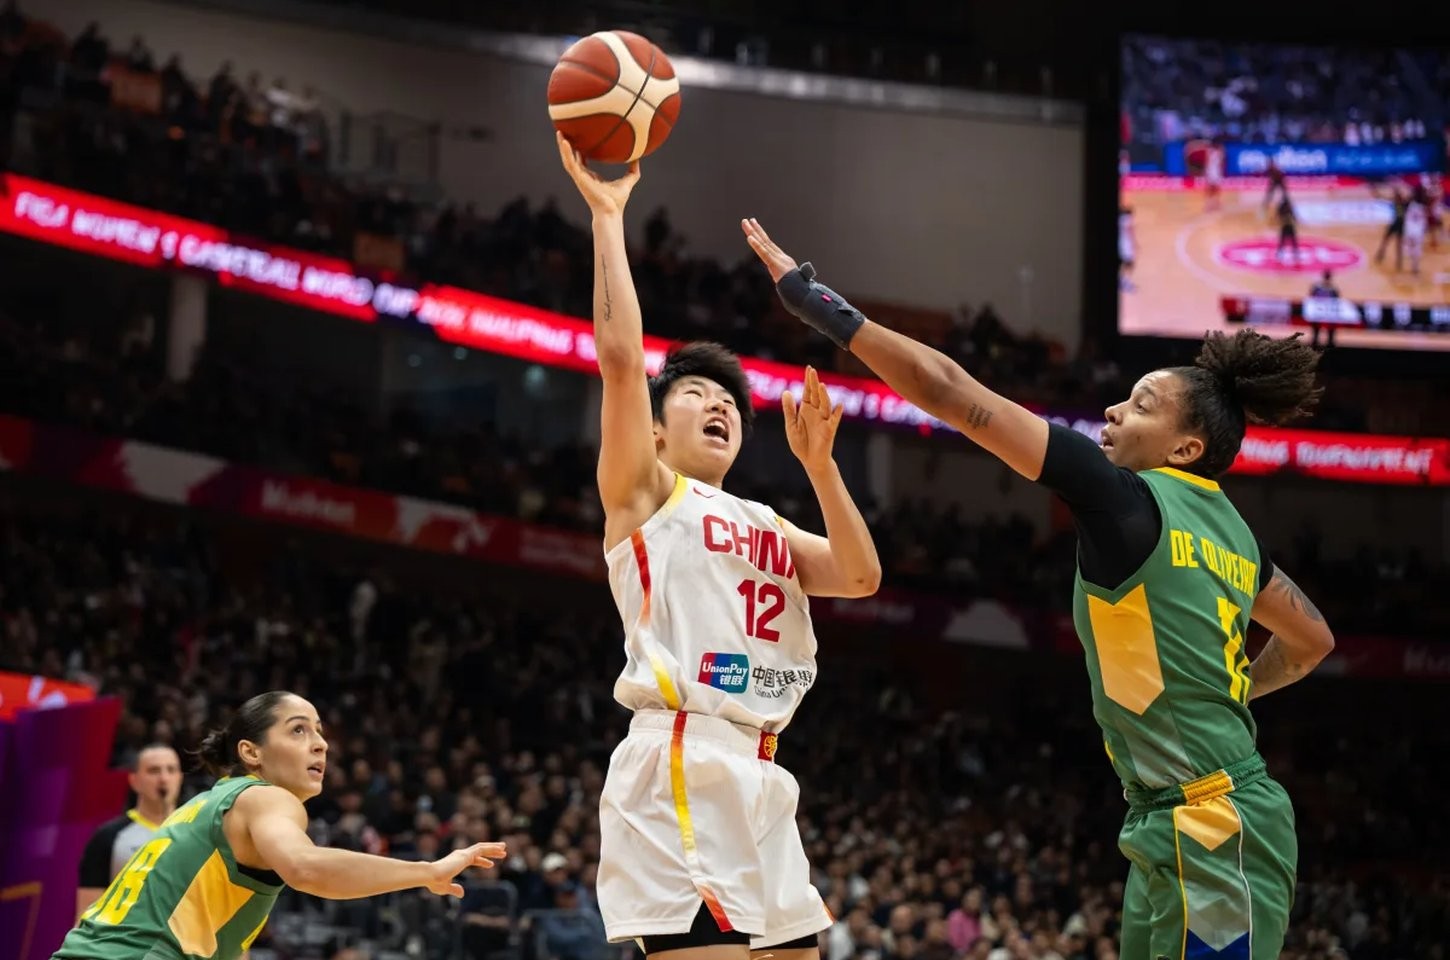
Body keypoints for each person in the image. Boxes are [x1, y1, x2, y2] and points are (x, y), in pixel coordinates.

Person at [741, 218, 1336, 960]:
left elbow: (952, 391)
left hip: (1216, 825)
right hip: (1172, 819)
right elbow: (1314, 640)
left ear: (1188, 449)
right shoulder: (1240, 542)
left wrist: (814, 302)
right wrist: (1239, 690)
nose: (1116, 411)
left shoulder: (1124, 498)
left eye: (1143, 405)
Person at [555, 131, 881, 960]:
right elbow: (624, 363)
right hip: (681, 762)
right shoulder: (646, 495)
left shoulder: (767, 521)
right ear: (656, 433)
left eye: (730, 399)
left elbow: (860, 574)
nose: (719, 405)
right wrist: (605, 217)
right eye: (695, 394)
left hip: (764, 771)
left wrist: (822, 468)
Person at [53, 691, 506, 960]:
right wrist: (427, 871)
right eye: (298, 731)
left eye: (320, 731)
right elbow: (306, 868)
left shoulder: (206, 804)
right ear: (252, 752)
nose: (320, 744)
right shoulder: (265, 797)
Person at [77, 745, 183, 920]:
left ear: (179, 778)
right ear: (134, 780)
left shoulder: (201, 830)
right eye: (154, 771)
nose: (164, 778)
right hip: (126, 943)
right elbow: (86, 914)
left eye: (171, 770)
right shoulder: (108, 837)